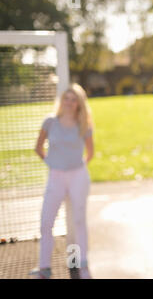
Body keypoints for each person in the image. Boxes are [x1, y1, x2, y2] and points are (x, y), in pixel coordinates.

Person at [31, 84, 94, 279]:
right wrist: (52, 162)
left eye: (73, 99)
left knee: (78, 221)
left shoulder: (84, 124)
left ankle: (82, 266)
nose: (69, 102)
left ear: (79, 104)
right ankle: (44, 268)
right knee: (46, 222)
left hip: (78, 176)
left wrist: (77, 167)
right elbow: (38, 147)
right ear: (61, 101)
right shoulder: (50, 122)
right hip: (55, 177)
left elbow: (91, 153)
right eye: (66, 98)